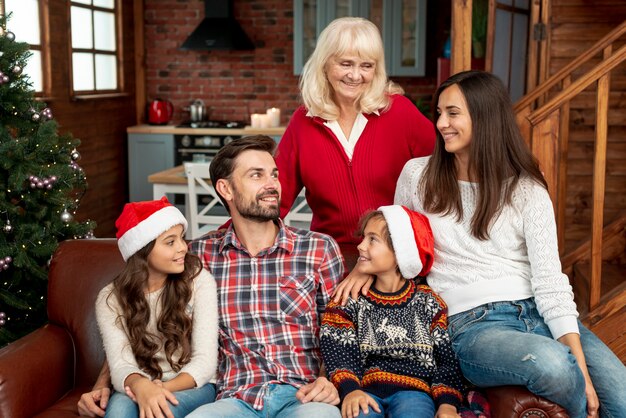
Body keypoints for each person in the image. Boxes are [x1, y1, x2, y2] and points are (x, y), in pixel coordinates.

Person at [334, 70, 626, 418]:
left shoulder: (526, 188)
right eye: (439, 113)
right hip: (471, 324)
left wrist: (585, 374)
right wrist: (363, 268)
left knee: (619, 395)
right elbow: (394, 240)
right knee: (553, 365)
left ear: (485, 116)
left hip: (536, 311)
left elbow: (550, 282)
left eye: (452, 113)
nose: (441, 123)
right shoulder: (418, 175)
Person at [184, 135, 344, 418]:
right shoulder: (200, 256)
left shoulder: (318, 249)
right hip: (236, 398)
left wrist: (329, 378)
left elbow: (341, 329)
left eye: (274, 174)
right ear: (226, 189)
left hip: (305, 397)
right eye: (256, 175)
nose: (272, 185)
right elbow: (148, 315)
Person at [275, 17, 435, 247]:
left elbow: (447, 169)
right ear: (325, 64)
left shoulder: (399, 111)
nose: (355, 75)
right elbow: (275, 196)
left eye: (366, 66)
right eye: (346, 64)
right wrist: (223, 239)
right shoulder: (303, 121)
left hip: (394, 257)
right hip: (330, 258)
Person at [321, 206, 464, 418]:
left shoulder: (428, 303)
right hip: (365, 393)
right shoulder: (348, 300)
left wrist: (447, 405)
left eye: (372, 240)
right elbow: (337, 351)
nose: (360, 246)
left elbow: (446, 362)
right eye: (363, 238)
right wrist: (350, 391)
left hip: (414, 394)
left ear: (400, 252)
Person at [95, 197, 219, 418]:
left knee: (158, 412)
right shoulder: (110, 298)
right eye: (170, 242)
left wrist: (159, 389)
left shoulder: (200, 282)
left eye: (181, 238)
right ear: (142, 251)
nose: (183, 247)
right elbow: (120, 364)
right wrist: (142, 387)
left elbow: (205, 362)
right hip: (138, 384)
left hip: (193, 385)